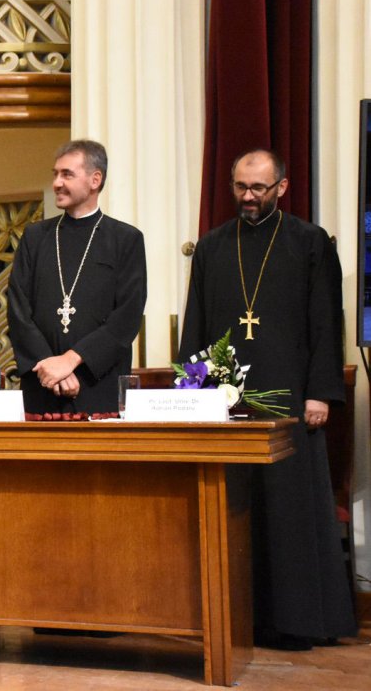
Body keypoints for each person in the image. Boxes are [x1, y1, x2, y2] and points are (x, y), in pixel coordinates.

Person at [180, 148, 356, 650]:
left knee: (291, 513)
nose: (248, 197)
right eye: (240, 187)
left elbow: (326, 322)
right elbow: (195, 322)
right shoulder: (214, 248)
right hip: (228, 405)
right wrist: (191, 390)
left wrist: (321, 392)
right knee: (238, 511)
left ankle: (300, 622)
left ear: (281, 187)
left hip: (292, 400)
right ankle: (240, 619)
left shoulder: (309, 242)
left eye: (258, 188)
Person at [7, 140, 147, 414]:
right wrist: (51, 365)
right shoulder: (35, 238)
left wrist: (71, 360)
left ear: (95, 179)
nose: (57, 183)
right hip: (42, 384)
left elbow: (127, 317)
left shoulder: (125, 240)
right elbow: (18, 311)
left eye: (67, 174)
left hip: (98, 384)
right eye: (55, 174)